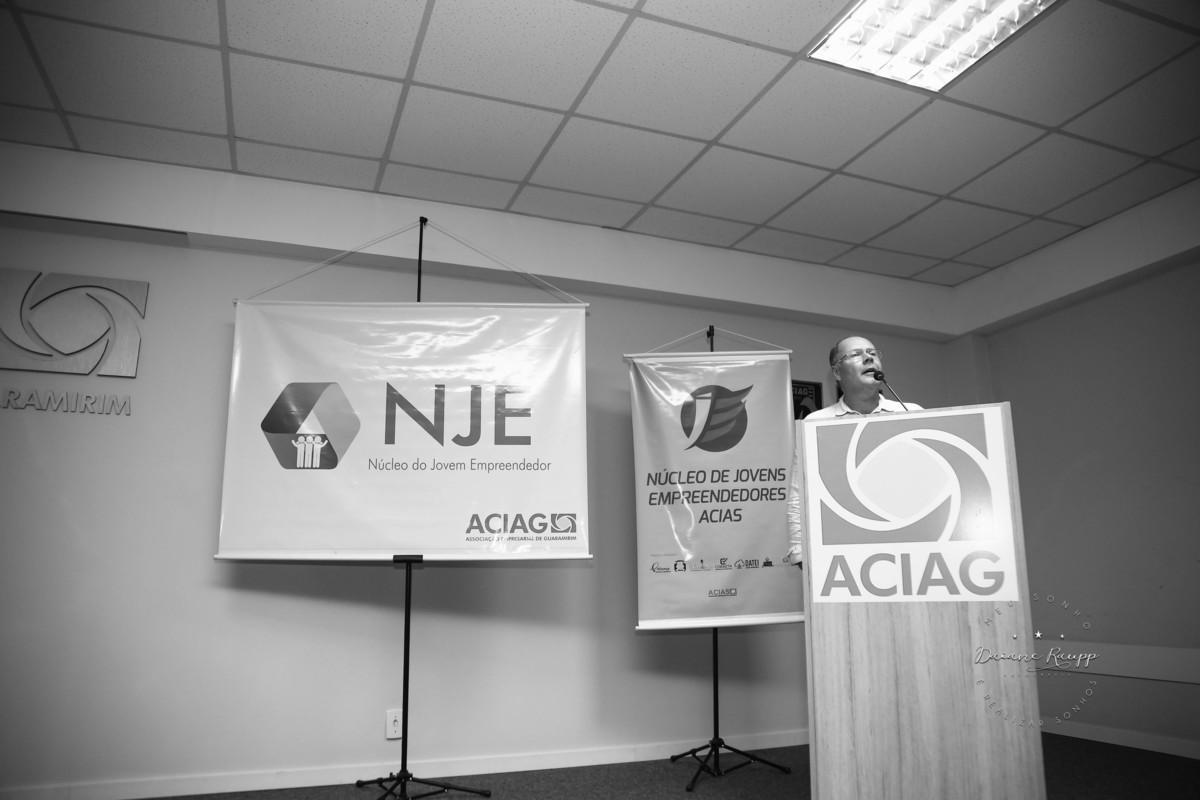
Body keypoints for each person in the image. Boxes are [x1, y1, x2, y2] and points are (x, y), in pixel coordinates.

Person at [783, 336, 923, 566]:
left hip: (909, 542)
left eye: (873, 353)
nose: (868, 357)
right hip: (844, 546)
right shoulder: (816, 422)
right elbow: (800, 491)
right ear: (837, 373)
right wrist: (799, 551)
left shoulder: (911, 413)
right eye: (856, 354)